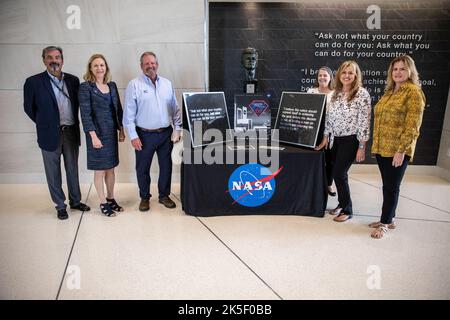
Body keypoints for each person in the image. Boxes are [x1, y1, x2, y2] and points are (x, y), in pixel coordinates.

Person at [23, 46, 90, 220]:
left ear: (62, 59)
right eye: (50, 57)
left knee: (72, 169)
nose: (54, 60)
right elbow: (29, 108)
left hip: (70, 132)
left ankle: (75, 201)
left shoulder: (73, 81)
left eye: (57, 57)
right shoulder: (33, 82)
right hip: (49, 134)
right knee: (53, 172)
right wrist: (45, 124)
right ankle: (60, 205)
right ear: (44, 60)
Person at [370, 55, 426, 239]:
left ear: (410, 71)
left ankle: (385, 223)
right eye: (395, 69)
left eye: (402, 68)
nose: (398, 72)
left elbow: (412, 126)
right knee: (387, 186)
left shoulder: (414, 92)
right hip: (382, 147)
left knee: (392, 187)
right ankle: (389, 218)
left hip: (397, 150)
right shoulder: (390, 92)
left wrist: (401, 150)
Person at [123, 51, 182, 212]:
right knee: (142, 168)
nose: (151, 66)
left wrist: (177, 128)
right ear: (141, 66)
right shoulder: (134, 85)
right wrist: (133, 136)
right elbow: (128, 114)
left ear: (157, 64)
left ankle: (164, 195)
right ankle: (144, 197)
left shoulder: (167, 84)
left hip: (165, 134)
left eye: (153, 63)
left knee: (166, 167)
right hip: (144, 134)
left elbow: (175, 109)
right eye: (147, 63)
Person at [316, 60, 371, 222]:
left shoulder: (362, 94)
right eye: (344, 72)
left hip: (351, 140)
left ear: (356, 75)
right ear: (339, 74)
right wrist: (325, 137)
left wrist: (362, 145)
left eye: (350, 73)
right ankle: (341, 204)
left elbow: (364, 122)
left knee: (340, 173)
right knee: (334, 172)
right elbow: (329, 118)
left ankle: (347, 209)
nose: (347, 76)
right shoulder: (335, 94)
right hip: (334, 140)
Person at [78, 54, 125, 217]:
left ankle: (111, 198)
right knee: (100, 170)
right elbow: (85, 114)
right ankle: (103, 202)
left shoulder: (112, 85)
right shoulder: (86, 87)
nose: (99, 68)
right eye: (96, 65)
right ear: (90, 68)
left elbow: (118, 109)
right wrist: (93, 136)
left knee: (111, 168)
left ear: (106, 68)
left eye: (102, 65)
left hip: (111, 133)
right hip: (96, 134)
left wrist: (121, 129)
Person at [309, 66, 336, 197]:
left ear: (330, 77)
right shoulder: (311, 91)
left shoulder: (336, 93)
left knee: (330, 160)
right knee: (314, 159)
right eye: (320, 75)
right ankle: (315, 186)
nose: (322, 78)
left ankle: (329, 184)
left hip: (331, 131)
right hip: (314, 131)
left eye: (325, 75)